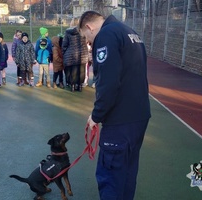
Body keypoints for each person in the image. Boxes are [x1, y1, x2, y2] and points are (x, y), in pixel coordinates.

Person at [79, 11, 151, 199]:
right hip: (139, 116)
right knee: (127, 172)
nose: (88, 43)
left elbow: (108, 83)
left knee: (110, 176)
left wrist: (96, 116)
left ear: (89, 27)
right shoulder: (129, 31)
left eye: (86, 38)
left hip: (120, 121)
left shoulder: (106, 35)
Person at [62, 18, 88, 92]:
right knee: (82, 70)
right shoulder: (83, 32)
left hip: (71, 54)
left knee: (73, 71)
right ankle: (80, 86)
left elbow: (65, 44)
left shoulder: (68, 32)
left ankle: (73, 86)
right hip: (82, 54)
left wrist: (64, 52)